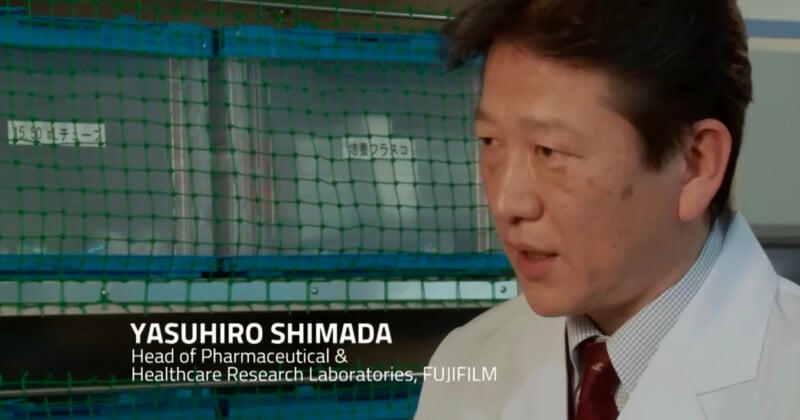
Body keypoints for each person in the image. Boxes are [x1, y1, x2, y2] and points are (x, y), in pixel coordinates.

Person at [414, 0, 800, 419]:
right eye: (490, 141)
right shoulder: (466, 360)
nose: (507, 202)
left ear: (695, 164)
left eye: (550, 151)